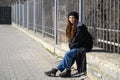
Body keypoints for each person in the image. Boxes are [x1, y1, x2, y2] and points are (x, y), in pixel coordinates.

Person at [44, 11, 93, 77]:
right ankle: (56, 70)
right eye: (70, 18)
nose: (71, 19)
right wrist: (71, 46)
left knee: (68, 54)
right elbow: (72, 40)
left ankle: (66, 71)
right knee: (68, 55)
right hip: (78, 45)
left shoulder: (80, 28)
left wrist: (71, 46)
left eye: (73, 18)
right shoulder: (72, 26)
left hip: (84, 47)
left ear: (76, 18)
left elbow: (76, 40)